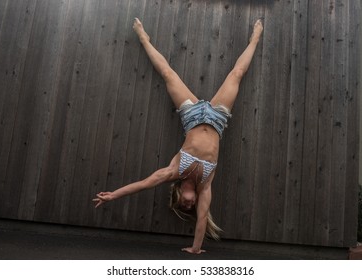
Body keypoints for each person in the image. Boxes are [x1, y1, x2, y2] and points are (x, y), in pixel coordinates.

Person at [93, 17, 263, 254]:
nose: (190, 204)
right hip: (217, 119)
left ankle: (144, 38)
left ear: (177, 193)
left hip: (192, 115)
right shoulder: (205, 186)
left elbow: (143, 184)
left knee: (167, 73)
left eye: (184, 203)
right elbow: (202, 218)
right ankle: (256, 37)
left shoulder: (174, 170)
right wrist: (195, 248)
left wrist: (113, 195)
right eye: (190, 206)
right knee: (237, 74)